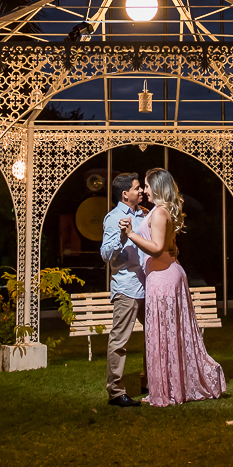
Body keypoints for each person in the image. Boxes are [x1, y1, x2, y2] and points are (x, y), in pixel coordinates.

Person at [120, 168, 225, 407]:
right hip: (167, 273)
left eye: (146, 186)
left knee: (164, 333)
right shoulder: (160, 211)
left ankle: (168, 390)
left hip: (163, 278)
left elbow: (157, 247)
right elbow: (169, 245)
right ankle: (171, 385)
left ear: (156, 187)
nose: (144, 190)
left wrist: (130, 234)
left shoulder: (159, 214)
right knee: (168, 333)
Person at [99, 172, 149, 407]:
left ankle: (151, 381)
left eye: (141, 188)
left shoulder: (143, 215)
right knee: (120, 341)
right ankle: (116, 392)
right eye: (137, 188)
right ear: (124, 194)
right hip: (127, 288)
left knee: (154, 336)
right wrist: (121, 235)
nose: (141, 191)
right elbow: (106, 254)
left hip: (148, 286)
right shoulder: (114, 218)